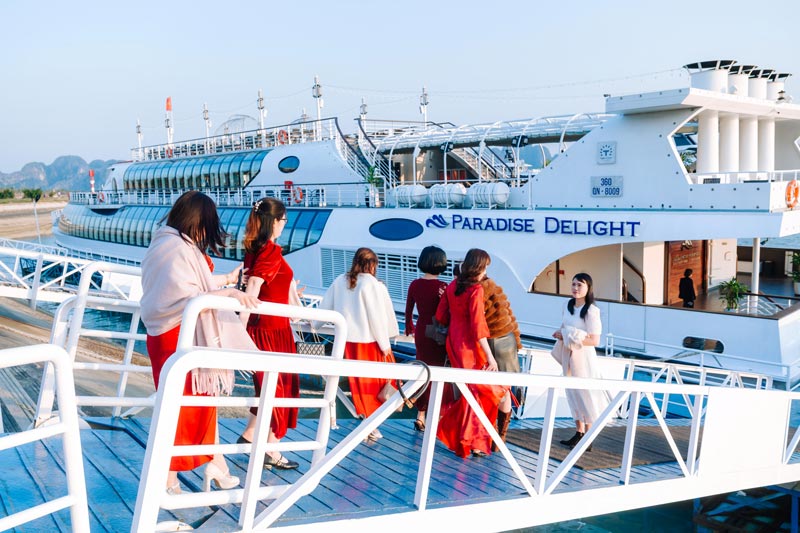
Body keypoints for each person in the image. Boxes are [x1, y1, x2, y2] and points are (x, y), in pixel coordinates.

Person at [139, 191, 261, 494]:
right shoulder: (177, 248)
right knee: (184, 408)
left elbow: (190, 286)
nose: (208, 231)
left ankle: (214, 463)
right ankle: (170, 476)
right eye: (207, 224)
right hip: (176, 335)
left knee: (199, 403)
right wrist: (232, 294)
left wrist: (226, 281)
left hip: (169, 335)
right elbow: (187, 295)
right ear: (198, 221)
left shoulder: (168, 243)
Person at [237, 198, 300, 470]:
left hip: (271, 327)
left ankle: (251, 434)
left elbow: (259, 286)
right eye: (284, 220)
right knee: (278, 389)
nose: (285, 225)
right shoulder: (271, 250)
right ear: (275, 221)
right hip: (270, 332)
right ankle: (271, 448)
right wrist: (238, 332)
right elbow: (253, 287)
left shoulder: (255, 249)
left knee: (270, 388)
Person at [317, 247, 399, 441]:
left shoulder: (340, 280)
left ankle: (368, 421)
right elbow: (377, 317)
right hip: (371, 342)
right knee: (380, 383)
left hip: (348, 341)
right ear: (372, 265)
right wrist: (385, 343)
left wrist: (313, 323)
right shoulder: (372, 284)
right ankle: (371, 424)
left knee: (360, 385)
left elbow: (326, 306)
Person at [435, 248, 508, 458]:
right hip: (471, 347)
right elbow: (478, 327)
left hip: (454, 342)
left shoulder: (452, 285)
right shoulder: (476, 290)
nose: (486, 272)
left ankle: (468, 438)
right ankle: (472, 441)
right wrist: (491, 356)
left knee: (471, 392)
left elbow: (441, 315)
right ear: (479, 267)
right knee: (479, 393)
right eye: (485, 267)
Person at [551, 273, 609, 451]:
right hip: (569, 354)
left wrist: (568, 336)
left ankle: (588, 437)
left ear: (588, 288)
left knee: (585, 394)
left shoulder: (592, 311)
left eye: (580, 285)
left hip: (583, 357)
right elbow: (565, 326)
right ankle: (579, 432)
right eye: (574, 284)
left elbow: (595, 341)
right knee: (572, 393)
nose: (575, 288)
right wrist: (560, 333)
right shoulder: (567, 305)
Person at [404, 245, 448, 432]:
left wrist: (409, 326)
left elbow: (408, 310)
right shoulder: (443, 287)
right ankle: (431, 414)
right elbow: (445, 312)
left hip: (421, 329)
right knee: (436, 372)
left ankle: (420, 413)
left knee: (423, 370)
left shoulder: (415, 284)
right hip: (437, 331)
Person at [480, 275, 522, 450]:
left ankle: (493, 433)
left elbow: (476, 321)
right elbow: (511, 318)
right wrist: (517, 344)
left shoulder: (477, 289)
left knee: (490, 391)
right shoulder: (496, 288)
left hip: (491, 342)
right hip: (508, 341)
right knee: (505, 390)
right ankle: (501, 436)